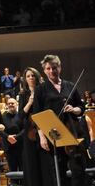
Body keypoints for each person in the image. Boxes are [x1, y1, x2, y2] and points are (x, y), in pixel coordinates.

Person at [33, 54, 87, 186]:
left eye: (54, 67)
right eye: (48, 68)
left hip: (72, 131)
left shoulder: (70, 85)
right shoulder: (40, 89)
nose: (52, 71)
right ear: (45, 71)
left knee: (78, 169)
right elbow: (37, 114)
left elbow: (81, 107)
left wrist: (74, 109)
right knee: (58, 169)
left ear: (60, 68)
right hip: (53, 134)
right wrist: (42, 137)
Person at [18, 67, 42, 186]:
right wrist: (29, 102)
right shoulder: (23, 95)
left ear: (37, 77)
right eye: (28, 76)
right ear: (25, 79)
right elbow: (20, 116)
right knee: (31, 164)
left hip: (43, 129)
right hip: (29, 133)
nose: (31, 78)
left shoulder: (43, 91)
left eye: (33, 75)